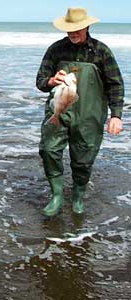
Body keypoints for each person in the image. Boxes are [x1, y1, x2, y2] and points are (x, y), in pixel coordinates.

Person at [36, 7, 124, 217]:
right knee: (49, 150)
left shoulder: (101, 51)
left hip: (89, 115)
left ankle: (78, 195)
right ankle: (57, 195)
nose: (72, 33)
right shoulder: (56, 50)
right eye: (69, 29)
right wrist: (51, 81)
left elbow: (115, 85)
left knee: (83, 157)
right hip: (59, 111)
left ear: (87, 26)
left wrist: (116, 116)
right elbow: (40, 81)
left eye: (76, 29)